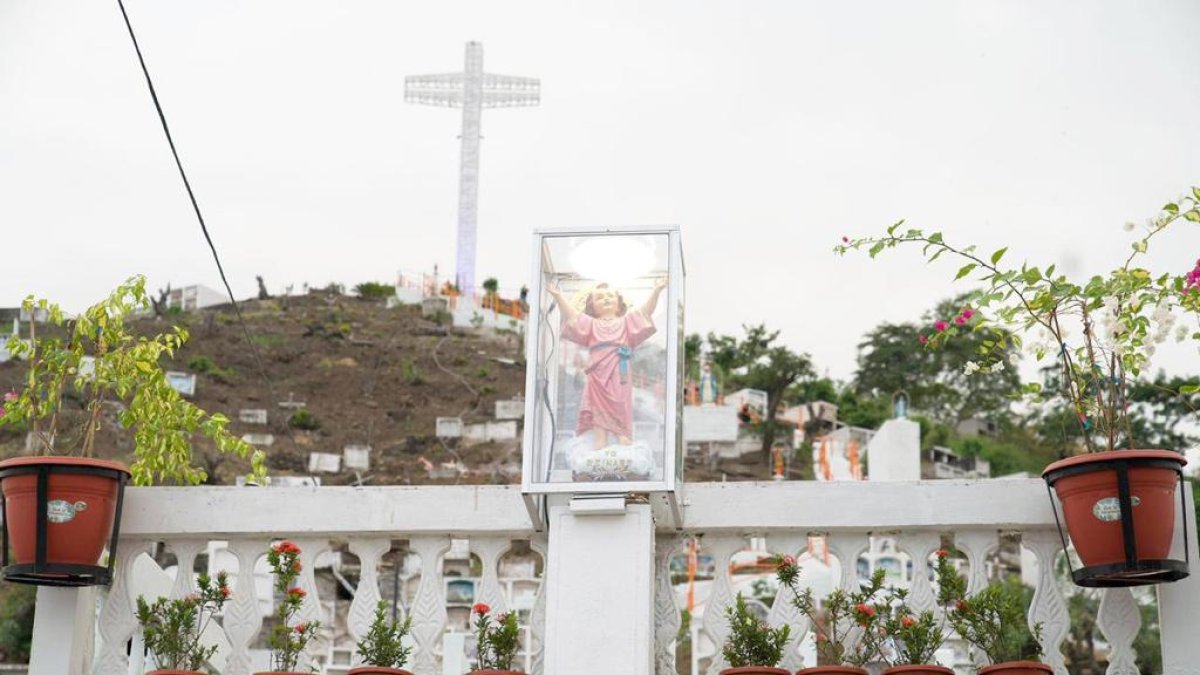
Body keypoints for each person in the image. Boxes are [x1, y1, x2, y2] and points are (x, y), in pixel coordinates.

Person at [547, 278, 667, 449]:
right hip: (597, 370)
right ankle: (600, 439)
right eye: (600, 297)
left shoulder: (626, 322)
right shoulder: (591, 324)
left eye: (610, 295)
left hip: (620, 368)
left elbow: (645, 312)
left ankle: (622, 435)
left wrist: (656, 291)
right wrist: (559, 297)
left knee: (620, 400)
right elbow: (572, 315)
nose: (606, 299)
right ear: (592, 306)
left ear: (619, 303)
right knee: (596, 404)